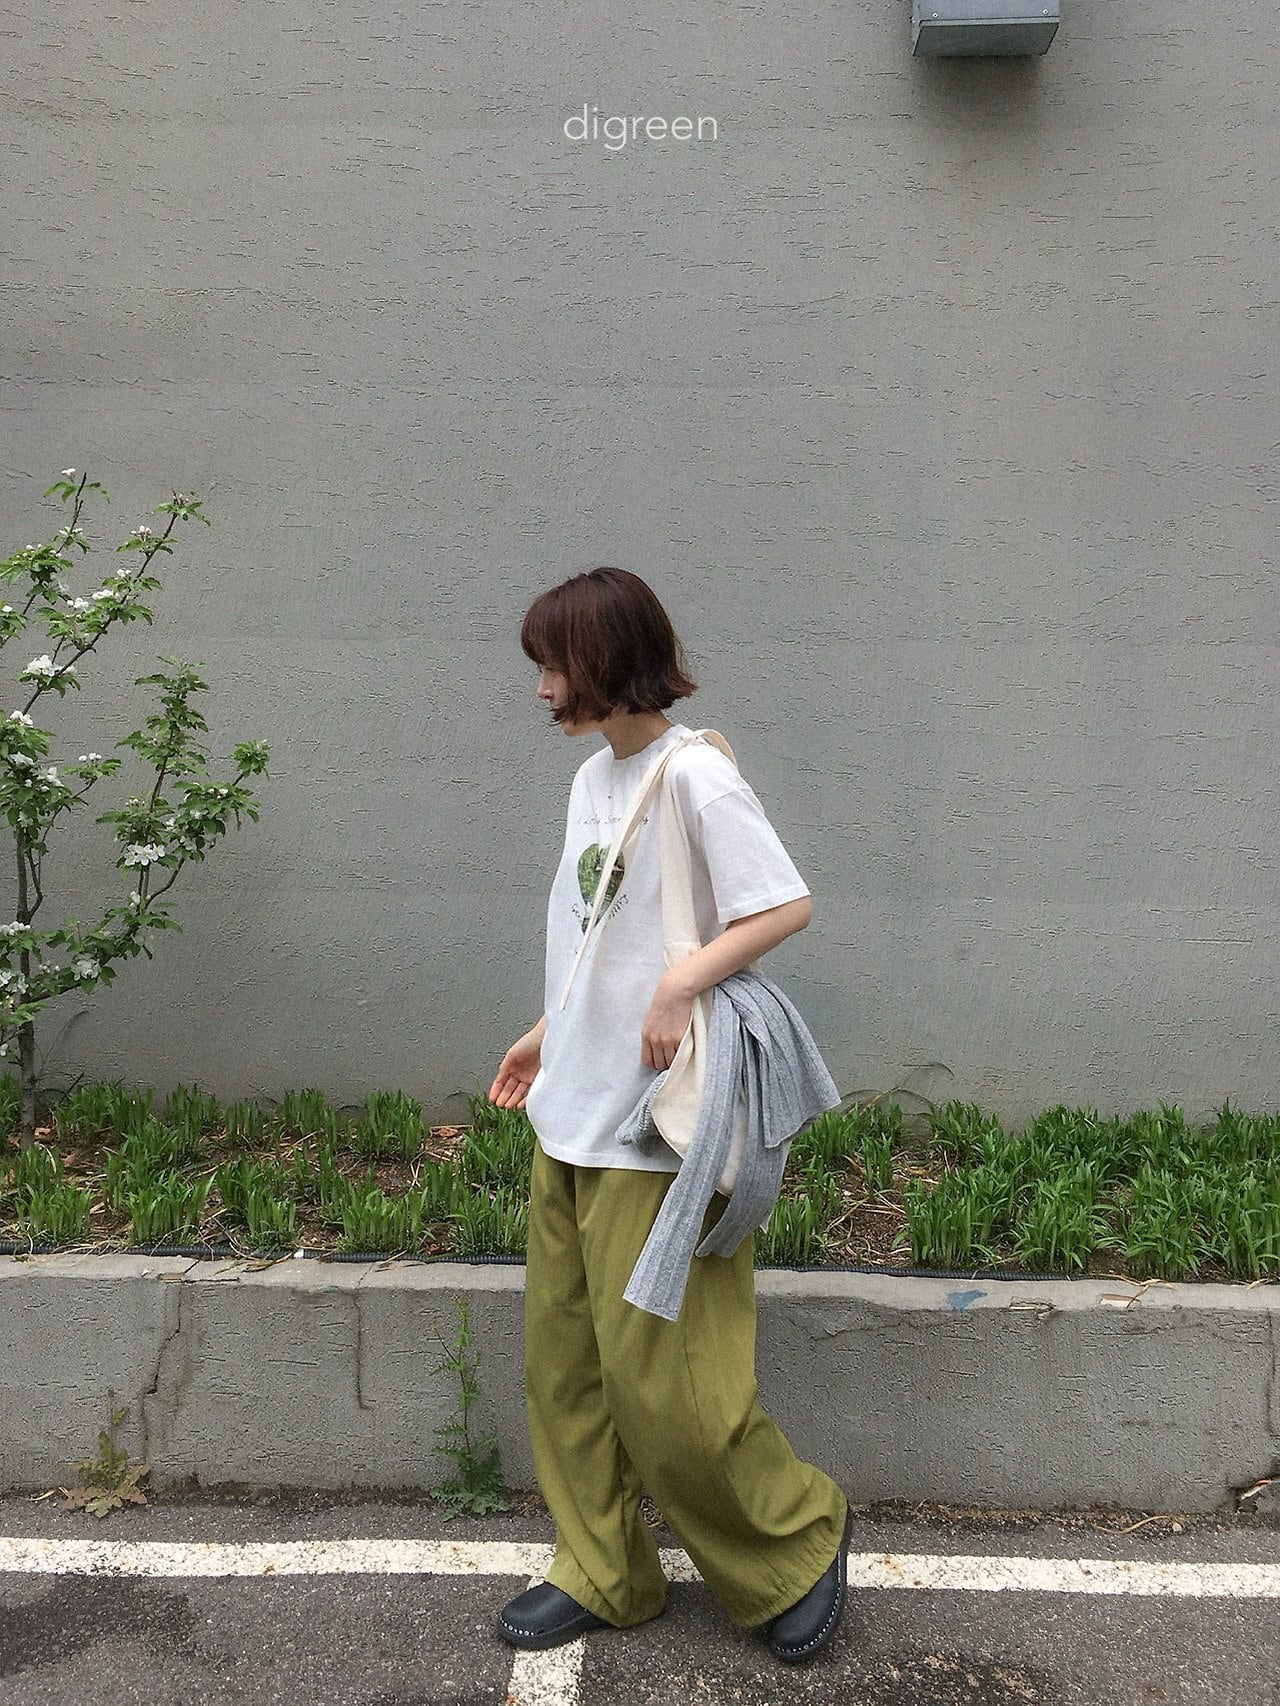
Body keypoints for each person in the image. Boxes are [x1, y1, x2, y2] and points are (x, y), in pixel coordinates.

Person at [488, 566, 852, 1665]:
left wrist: (680, 983)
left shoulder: (694, 775)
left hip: (653, 1126)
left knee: (671, 1384)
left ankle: (794, 1540)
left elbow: (784, 903)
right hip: (570, 1108)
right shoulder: (591, 778)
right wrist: (548, 1029)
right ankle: (602, 1568)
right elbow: (599, 929)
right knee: (567, 1371)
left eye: (554, 666)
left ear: (606, 661)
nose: (542, 689)